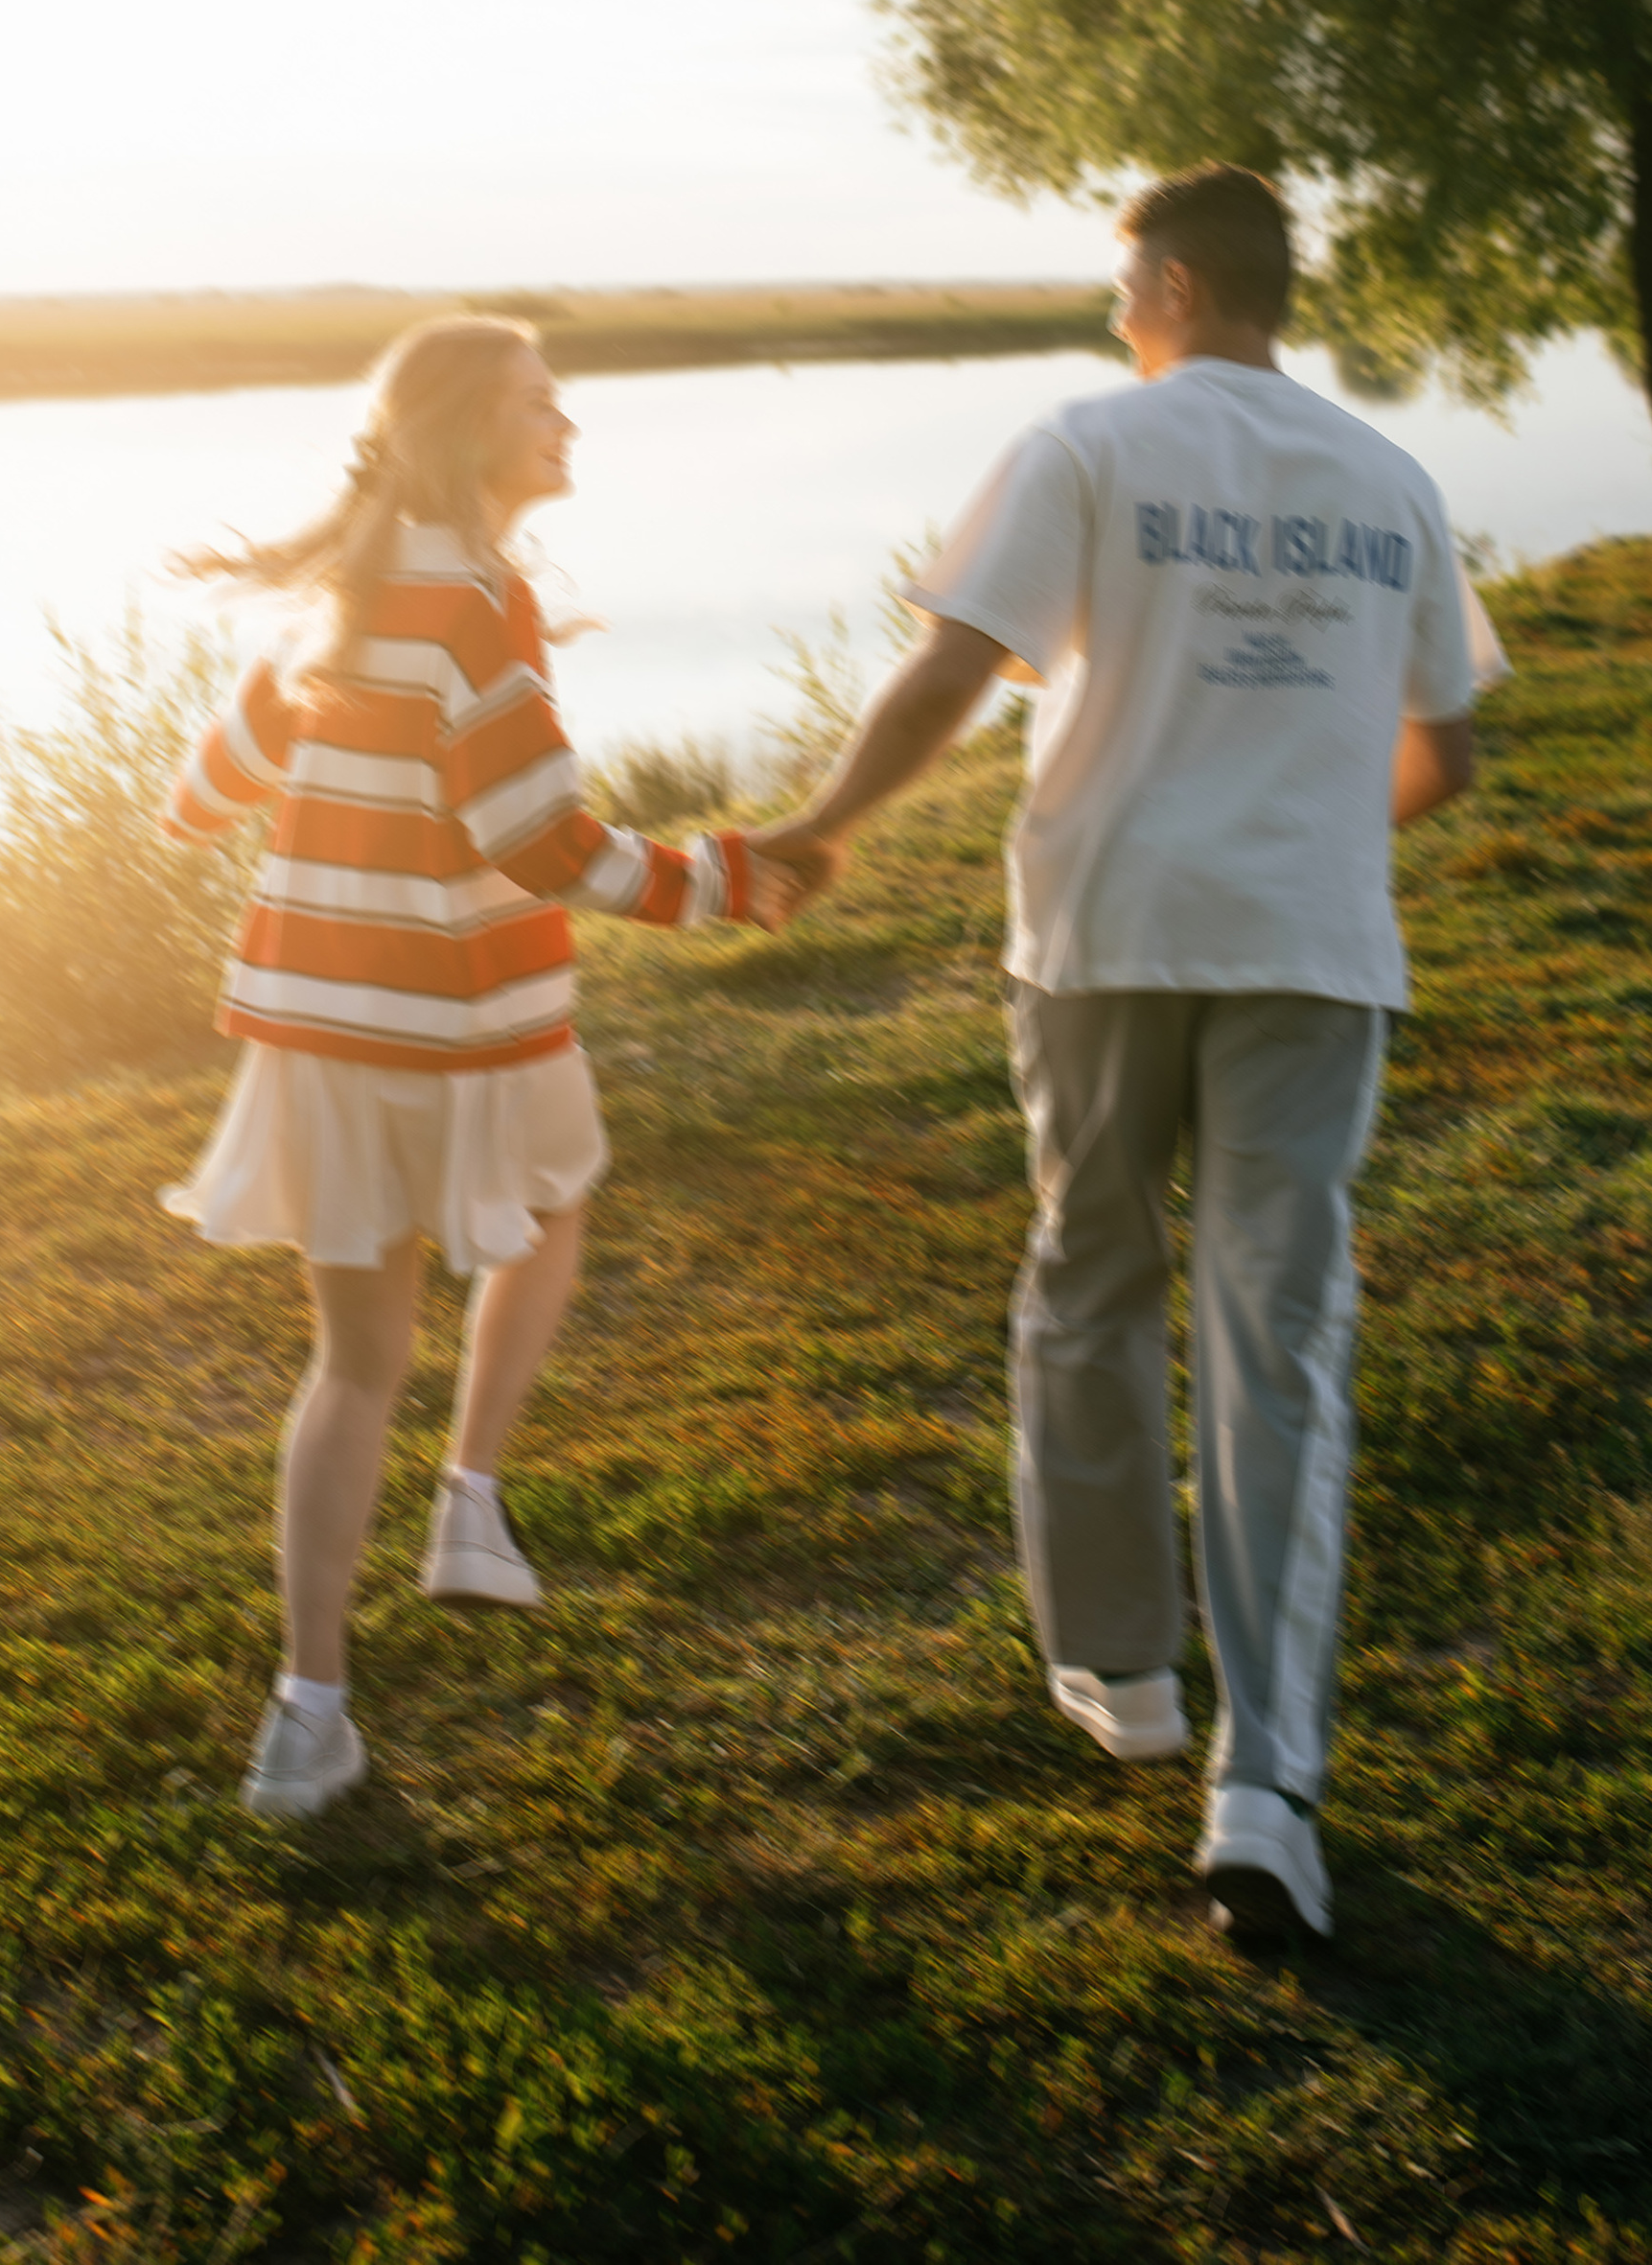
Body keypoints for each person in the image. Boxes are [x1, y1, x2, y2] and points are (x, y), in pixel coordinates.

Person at [765, 167, 1496, 1946]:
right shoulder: (1394, 479)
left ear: (1171, 283)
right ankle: (1267, 1786)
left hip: (1104, 940)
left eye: (1121, 286)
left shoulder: (1088, 443)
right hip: (1310, 953)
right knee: (1283, 1344)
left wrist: (825, 825)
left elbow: (951, 673)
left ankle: (1124, 1675)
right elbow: (1445, 751)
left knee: (1089, 1283)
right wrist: (1305, 822)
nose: (1113, 316)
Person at [160, 315, 800, 1820]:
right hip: (466, 1020)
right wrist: (719, 881)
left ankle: (308, 1718)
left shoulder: (341, 598)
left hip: (316, 1034)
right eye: (538, 403)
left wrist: (318, 797)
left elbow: (197, 800)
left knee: (355, 1362)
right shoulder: (480, 603)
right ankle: (469, 1501)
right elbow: (542, 843)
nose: (566, 423)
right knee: (560, 1199)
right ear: (466, 434)